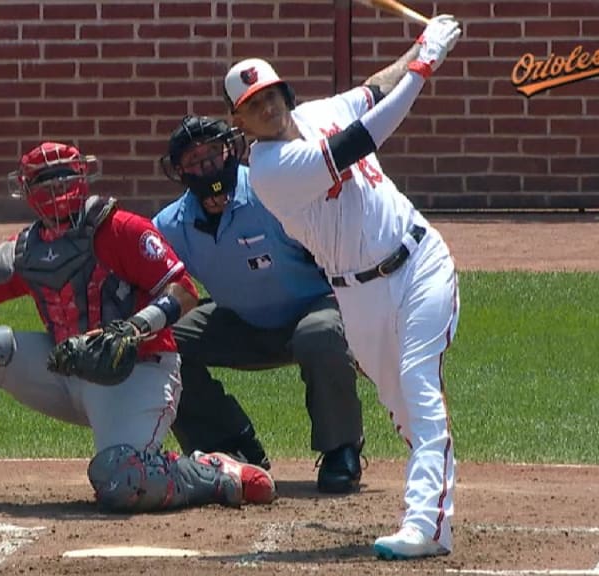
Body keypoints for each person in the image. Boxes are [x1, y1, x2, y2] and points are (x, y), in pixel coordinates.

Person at [0, 141, 275, 513]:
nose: (55, 191)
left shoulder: (120, 228)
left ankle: (213, 472)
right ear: (26, 190)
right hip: (67, 370)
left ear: (83, 178)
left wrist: (132, 328)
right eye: (45, 183)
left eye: (62, 179)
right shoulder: (29, 249)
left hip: (138, 373)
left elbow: (183, 290)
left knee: (122, 481)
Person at [221, 15, 462, 560]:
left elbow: (374, 89)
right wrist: (425, 67)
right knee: (400, 405)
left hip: (422, 260)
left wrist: (418, 50)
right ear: (239, 120)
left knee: (417, 385)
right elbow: (363, 137)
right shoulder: (270, 170)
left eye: (271, 95)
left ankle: (424, 522)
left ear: (283, 91)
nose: (268, 108)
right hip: (357, 296)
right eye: (253, 106)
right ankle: (436, 521)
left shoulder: (317, 113)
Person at [152, 115, 365, 494]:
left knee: (320, 333)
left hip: (312, 309)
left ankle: (341, 448)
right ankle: (230, 445)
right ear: (179, 171)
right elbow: (149, 279)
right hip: (240, 320)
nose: (207, 168)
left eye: (213, 155)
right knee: (160, 345)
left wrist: (364, 323)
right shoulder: (171, 224)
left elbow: (340, 251)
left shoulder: (274, 194)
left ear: (231, 151)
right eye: (194, 160)